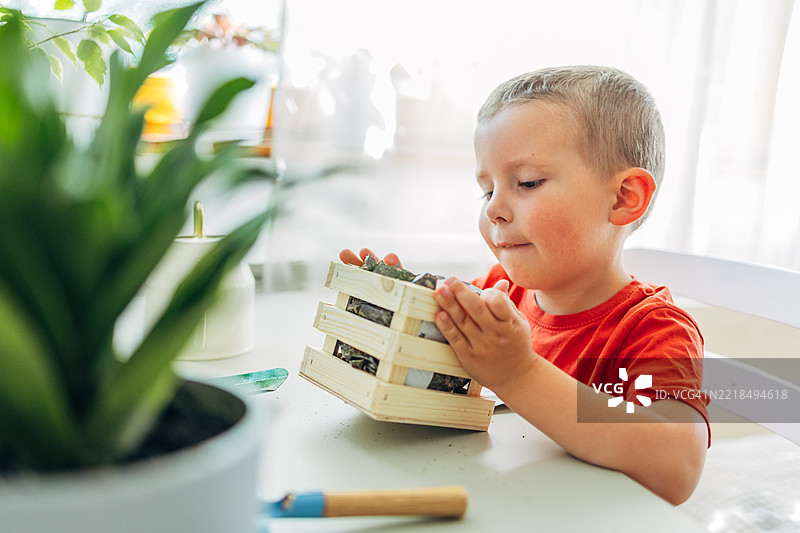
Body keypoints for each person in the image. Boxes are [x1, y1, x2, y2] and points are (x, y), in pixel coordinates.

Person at [340, 65, 709, 505]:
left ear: (623, 198)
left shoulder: (652, 330)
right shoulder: (499, 291)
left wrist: (518, 373)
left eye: (527, 182)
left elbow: (678, 467)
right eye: (487, 189)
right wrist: (394, 309)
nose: (494, 209)